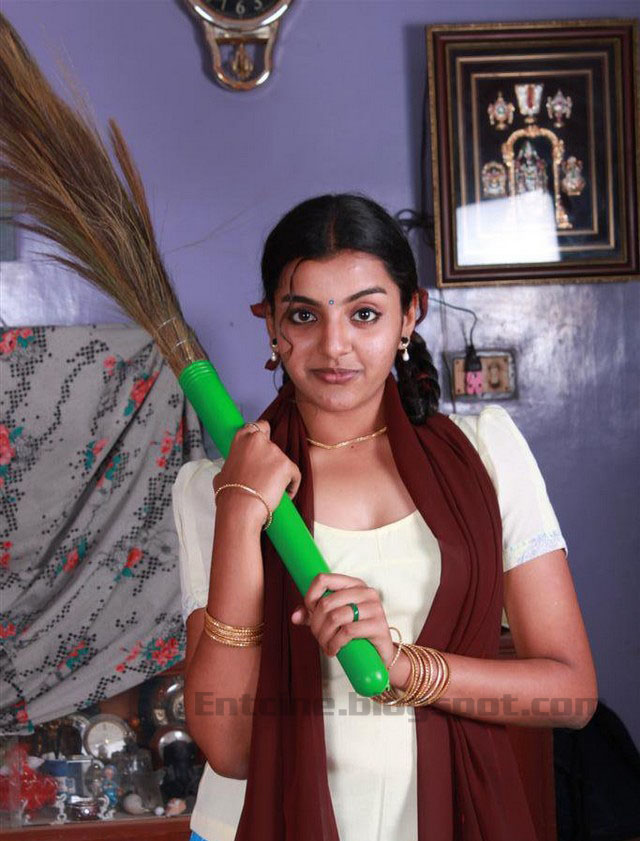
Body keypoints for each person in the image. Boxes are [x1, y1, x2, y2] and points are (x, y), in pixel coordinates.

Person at [172, 194, 598, 841]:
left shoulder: (486, 454)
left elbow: (571, 694)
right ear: (271, 325)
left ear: (410, 314)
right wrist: (236, 512)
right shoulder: (213, 487)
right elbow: (229, 749)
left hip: (447, 819)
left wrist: (403, 667)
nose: (334, 345)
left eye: (364, 313)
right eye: (304, 315)